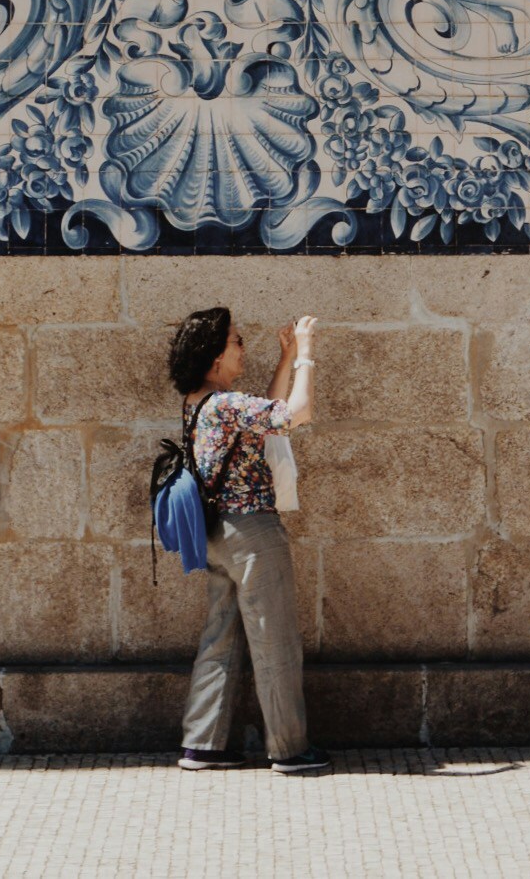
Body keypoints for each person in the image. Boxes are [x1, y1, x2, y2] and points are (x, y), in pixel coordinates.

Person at [171, 305, 330, 778]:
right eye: (237, 342)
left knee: (221, 638)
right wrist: (305, 354)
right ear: (215, 356)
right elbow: (295, 415)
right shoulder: (224, 404)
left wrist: (282, 362)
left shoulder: (202, 403)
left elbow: (261, 416)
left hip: (217, 534)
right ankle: (289, 748)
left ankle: (203, 744)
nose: (243, 348)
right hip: (253, 532)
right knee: (274, 639)